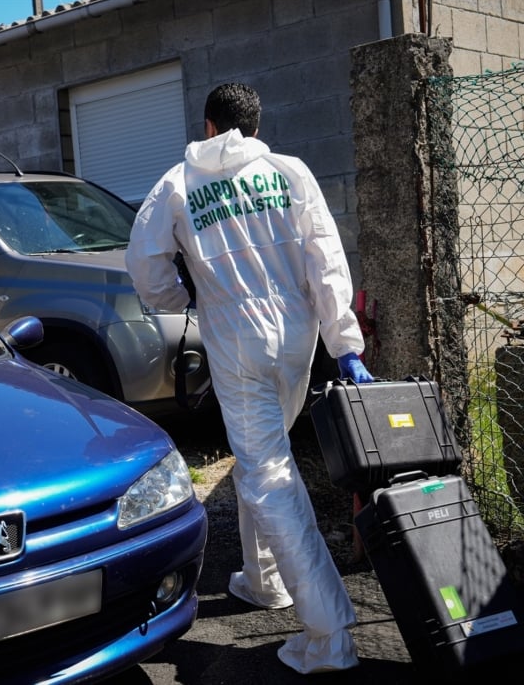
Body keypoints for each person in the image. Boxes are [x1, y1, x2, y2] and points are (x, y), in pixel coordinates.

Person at [125, 83, 374, 674]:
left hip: (237, 343)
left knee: (268, 473)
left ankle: (329, 635)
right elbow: (326, 261)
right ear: (256, 128)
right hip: (297, 341)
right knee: (263, 459)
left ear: (209, 127)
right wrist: (346, 346)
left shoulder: (178, 184)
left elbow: (144, 264)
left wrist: (180, 298)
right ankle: (264, 580)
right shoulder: (290, 171)